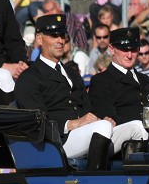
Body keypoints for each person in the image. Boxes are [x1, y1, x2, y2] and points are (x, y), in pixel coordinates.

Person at [15, 14, 111, 168]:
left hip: (85, 134)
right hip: (57, 143)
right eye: (54, 36)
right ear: (39, 39)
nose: (60, 40)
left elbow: (87, 109)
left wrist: (99, 120)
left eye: (62, 35)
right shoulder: (29, 77)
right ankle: (95, 181)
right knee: (104, 128)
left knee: (135, 127)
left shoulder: (72, 73)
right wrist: (71, 124)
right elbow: (36, 122)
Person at [87, 27, 149, 155]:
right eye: (124, 49)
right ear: (112, 49)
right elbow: (108, 116)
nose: (129, 55)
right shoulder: (101, 80)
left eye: (133, 50)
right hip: (118, 138)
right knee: (138, 127)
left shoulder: (146, 80)